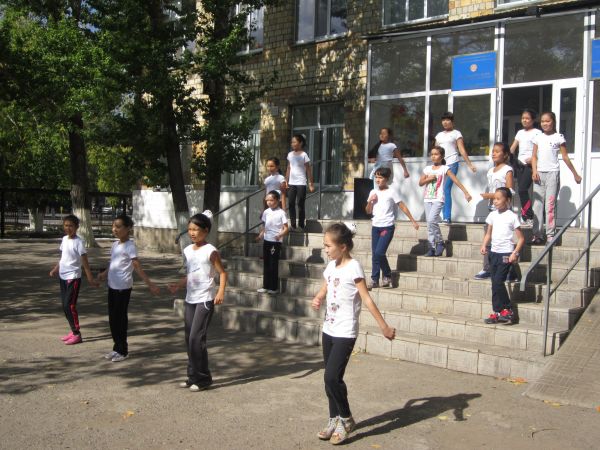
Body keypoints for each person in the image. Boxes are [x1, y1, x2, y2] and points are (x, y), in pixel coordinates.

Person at [311, 223, 396, 445]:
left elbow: (366, 298)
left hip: (345, 331)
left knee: (332, 377)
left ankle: (346, 419)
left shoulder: (354, 267)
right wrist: (318, 297)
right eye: (324, 245)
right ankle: (334, 419)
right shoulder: (331, 266)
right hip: (329, 329)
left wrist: (384, 326)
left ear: (343, 247)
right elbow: (326, 286)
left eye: (328, 246)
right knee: (330, 379)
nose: (325, 250)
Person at [168, 211, 226, 392]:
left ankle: (203, 379)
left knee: (196, 338)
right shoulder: (187, 250)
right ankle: (193, 376)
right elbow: (192, 274)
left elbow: (222, 273)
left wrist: (220, 292)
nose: (192, 233)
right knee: (189, 338)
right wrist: (178, 285)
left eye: (196, 229)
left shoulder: (211, 251)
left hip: (205, 299)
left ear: (206, 230)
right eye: (190, 229)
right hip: (190, 298)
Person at [97, 214, 160, 362]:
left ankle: (123, 351)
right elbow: (113, 263)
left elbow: (136, 266)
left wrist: (150, 284)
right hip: (112, 285)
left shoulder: (130, 246)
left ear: (128, 229)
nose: (114, 229)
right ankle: (116, 348)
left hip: (123, 287)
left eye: (118, 227)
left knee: (120, 319)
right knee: (113, 318)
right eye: (113, 226)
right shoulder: (115, 245)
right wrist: (104, 274)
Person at [530, 111, 582, 245]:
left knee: (550, 205)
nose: (545, 123)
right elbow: (534, 156)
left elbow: (565, 157)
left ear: (553, 122)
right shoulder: (538, 137)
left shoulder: (559, 137)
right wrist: (534, 170)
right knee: (537, 205)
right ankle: (537, 234)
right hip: (539, 175)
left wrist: (575, 174)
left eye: (548, 121)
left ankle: (550, 235)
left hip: (553, 174)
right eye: (542, 121)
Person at [365, 167, 419, 289]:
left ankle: (387, 274)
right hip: (375, 226)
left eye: (380, 177)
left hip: (387, 226)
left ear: (386, 179)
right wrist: (370, 201)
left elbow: (402, 206)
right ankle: (375, 279)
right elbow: (368, 211)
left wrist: (413, 220)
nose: (377, 180)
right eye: (376, 177)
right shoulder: (373, 192)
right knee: (375, 254)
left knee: (379, 252)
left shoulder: (391, 192)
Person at [49, 214, 98, 345]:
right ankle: (72, 330)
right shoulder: (64, 239)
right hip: (63, 276)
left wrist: (90, 278)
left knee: (69, 305)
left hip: (73, 277)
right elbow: (63, 258)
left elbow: (85, 261)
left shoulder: (79, 242)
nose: (68, 228)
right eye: (66, 225)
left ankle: (77, 334)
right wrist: (55, 269)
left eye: (71, 226)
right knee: (64, 306)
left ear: (77, 227)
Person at [481, 188, 525, 324]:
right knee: (494, 284)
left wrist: (515, 253)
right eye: (494, 198)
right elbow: (488, 233)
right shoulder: (492, 215)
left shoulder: (512, 216)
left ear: (508, 200)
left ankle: (508, 309)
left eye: (498, 199)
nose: (495, 201)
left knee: (498, 282)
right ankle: (498, 312)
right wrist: (484, 245)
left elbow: (521, 238)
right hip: (493, 253)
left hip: (506, 254)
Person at [420, 146, 472, 257]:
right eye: (432, 154)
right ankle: (431, 248)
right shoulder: (427, 169)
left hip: (438, 198)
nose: (433, 156)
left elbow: (455, 180)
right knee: (429, 224)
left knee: (431, 220)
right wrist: (428, 179)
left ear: (442, 156)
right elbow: (420, 182)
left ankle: (440, 242)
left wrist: (466, 192)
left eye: (436, 154)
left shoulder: (444, 168)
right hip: (427, 199)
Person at [474, 142, 515, 280]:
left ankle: (509, 270)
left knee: (504, 239)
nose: (494, 154)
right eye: (493, 151)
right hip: (492, 210)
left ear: (505, 155)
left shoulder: (507, 170)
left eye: (497, 151)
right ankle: (487, 268)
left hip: (504, 211)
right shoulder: (490, 171)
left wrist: (491, 196)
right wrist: (490, 197)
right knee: (489, 237)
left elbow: (510, 191)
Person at [434, 112, 477, 223]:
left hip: (452, 163)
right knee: (440, 190)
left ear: (452, 122)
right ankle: (439, 215)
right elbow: (435, 151)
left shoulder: (456, 133)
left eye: (448, 120)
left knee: (446, 189)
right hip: (441, 165)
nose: (445, 122)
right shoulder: (439, 135)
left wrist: (469, 164)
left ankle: (447, 217)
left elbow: (462, 150)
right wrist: (433, 166)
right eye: (443, 120)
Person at [510, 109, 542, 226]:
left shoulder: (537, 132)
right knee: (521, 190)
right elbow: (513, 148)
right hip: (520, 164)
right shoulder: (520, 132)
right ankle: (526, 215)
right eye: (523, 118)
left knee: (522, 189)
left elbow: (540, 148)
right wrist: (506, 157)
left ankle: (529, 216)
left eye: (527, 118)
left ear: (533, 120)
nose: (524, 120)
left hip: (530, 165)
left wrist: (534, 158)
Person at [256, 190, 289, 294]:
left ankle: (273, 288)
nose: (269, 202)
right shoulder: (266, 212)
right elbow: (265, 226)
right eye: (267, 200)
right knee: (266, 263)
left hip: (275, 241)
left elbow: (286, 228)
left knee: (273, 264)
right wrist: (260, 235)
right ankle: (265, 286)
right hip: (267, 240)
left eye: (271, 200)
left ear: (277, 200)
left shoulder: (281, 213)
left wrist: (280, 235)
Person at [285, 134, 314, 230]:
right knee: (291, 203)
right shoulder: (290, 154)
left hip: (301, 183)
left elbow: (308, 169)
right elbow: (288, 168)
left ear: (300, 143)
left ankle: (301, 225)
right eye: (292, 142)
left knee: (300, 204)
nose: (292, 144)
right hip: (291, 183)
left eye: (294, 142)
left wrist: (311, 183)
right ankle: (293, 225)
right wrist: (286, 181)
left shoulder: (304, 155)